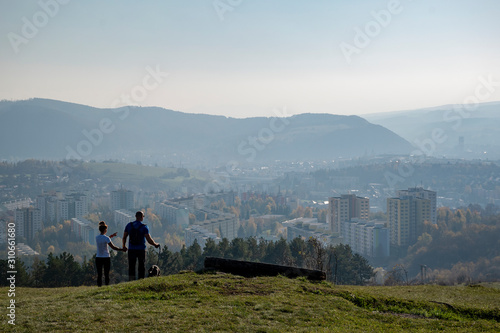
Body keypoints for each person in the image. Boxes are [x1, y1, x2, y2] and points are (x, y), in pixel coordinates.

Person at [122, 211, 160, 280]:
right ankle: (141, 280)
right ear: (141, 217)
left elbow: (124, 237)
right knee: (141, 266)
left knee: (131, 266)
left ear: (136, 216)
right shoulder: (144, 227)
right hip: (141, 249)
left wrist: (124, 246)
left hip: (131, 249)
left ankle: (131, 280)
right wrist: (155, 244)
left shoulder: (129, 225)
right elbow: (149, 239)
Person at [95, 221, 125, 287]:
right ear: (105, 230)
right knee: (106, 273)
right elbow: (113, 247)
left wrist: (111, 236)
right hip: (106, 257)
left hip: (98, 257)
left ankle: (99, 286)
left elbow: (103, 239)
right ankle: (106, 286)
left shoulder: (97, 237)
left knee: (99, 274)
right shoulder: (106, 238)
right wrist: (122, 249)